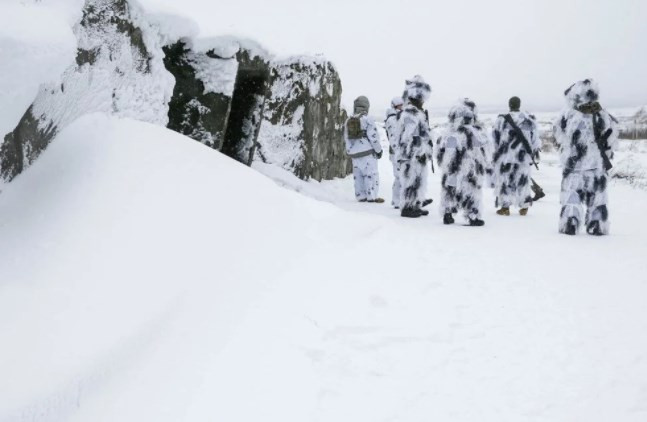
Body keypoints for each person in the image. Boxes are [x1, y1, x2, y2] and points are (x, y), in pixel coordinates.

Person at [554, 79, 618, 236]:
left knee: (571, 195)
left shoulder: (567, 116)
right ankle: (597, 225)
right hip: (597, 165)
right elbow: (612, 141)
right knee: (598, 196)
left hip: (574, 165)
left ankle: (570, 223)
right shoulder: (604, 115)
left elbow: (559, 137)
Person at [436, 98, 488, 226]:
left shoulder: (448, 134)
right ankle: (472, 216)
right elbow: (480, 153)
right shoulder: (474, 133)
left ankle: (448, 214)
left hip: (452, 169)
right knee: (471, 191)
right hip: (468, 169)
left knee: (450, 190)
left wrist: (447, 166)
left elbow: (441, 153)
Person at [492, 96, 542, 216]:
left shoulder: (501, 120)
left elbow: (494, 139)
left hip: (506, 157)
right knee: (523, 181)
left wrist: (498, 153)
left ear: (509, 105)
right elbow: (535, 141)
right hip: (523, 158)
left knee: (505, 182)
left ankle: (505, 208)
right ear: (519, 105)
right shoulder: (529, 119)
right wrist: (532, 153)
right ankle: (524, 207)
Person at [395, 76, 433, 218]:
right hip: (412, 155)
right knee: (410, 181)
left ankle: (416, 204)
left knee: (418, 181)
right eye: (422, 98)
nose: (423, 101)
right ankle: (407, 207)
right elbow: (408, 137)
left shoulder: (416, 112)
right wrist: (418, 149)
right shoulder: (411, 112)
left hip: (418, 154)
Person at [344, 96, 384, 203]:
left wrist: (350, 151)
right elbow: (374, 137)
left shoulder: (348, 120)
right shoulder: (367, 119)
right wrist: (379, 151)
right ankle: (372, 197)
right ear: (367, 106)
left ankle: (360, 196)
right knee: (371, 174)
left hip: (354, 154)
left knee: (358, 175)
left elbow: (346, 138)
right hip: (367, 153)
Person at [385, 97, 404, 208]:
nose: (402, 108)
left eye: (402, 105)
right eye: (399, 106)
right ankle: (397, 201)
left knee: (401, 177)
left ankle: (399, 200)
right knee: (399, 177)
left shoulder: (398, 118)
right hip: (397, 153)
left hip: (399, 152)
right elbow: (393, 139)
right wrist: (399, 153)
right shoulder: (392, 120)